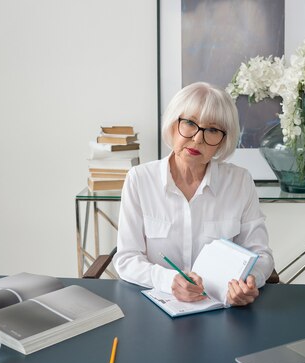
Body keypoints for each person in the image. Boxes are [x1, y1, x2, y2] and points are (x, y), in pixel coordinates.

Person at [113, 82, 274, 306]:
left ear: (223, 141)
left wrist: (249, 282)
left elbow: (261, 255)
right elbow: (126, 259)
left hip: (222, 309)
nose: (198, 138)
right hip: (156, 307)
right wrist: (170, 280)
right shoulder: (140, 179)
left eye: (213, 130)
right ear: (172, 124)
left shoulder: (240, 182)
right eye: (189, 123)